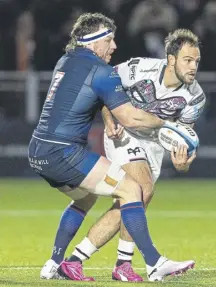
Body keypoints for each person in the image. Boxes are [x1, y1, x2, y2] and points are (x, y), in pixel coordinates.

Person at [29, 13, 195, 282]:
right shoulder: (100, 70)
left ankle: (54, 262)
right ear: (93, 43)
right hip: (64, 153)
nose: (114, 46)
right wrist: (168, 123)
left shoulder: (66, 60)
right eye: (109, 40)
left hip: (38, 150)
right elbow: (130, 117)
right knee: (133, 189)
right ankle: (154, 263)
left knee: (85, 198)